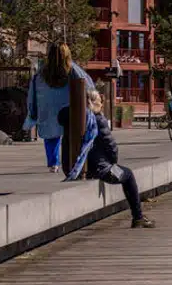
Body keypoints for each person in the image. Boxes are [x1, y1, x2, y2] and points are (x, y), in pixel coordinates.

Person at [66, 90, 155, 229]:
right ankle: (138, 217)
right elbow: (111, 145)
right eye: (100, 102)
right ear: (95, 104)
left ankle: (138, 217)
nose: (102, 104)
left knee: (125, 173)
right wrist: (113, 162)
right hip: (99, 168)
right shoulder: (98, 120)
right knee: (128, 174)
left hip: (75, 168)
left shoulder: (74, 117)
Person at [23, 42, 95, 173]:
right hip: (67, 109)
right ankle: (70, 161)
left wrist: (32, 110)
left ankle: (53, 163)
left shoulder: (41, 73)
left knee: (50, 136)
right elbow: (88, 86)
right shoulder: (73, 70)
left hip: (47, 109)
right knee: (69, 136)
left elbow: (32, 92)